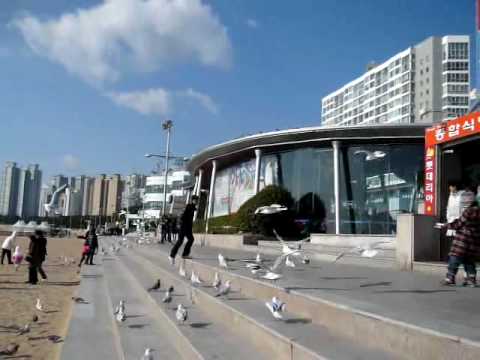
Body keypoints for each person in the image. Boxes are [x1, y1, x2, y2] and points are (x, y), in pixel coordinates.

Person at [441, 201, 480, 287]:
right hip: (474, 240)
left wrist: (447, 225)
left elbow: (459, 224)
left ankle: (450, 279)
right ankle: (471, 280)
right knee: (469, 260)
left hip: (462, 240)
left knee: (454, 258)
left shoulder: (468, 211)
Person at [169, 195, 198, 264]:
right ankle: (172, 256)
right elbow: (183, 216)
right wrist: (181, 224)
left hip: (187, 227)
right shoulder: (188, 206)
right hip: (184, 227)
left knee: (190, 239)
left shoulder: (192, 207)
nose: (197, 201)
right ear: (192, 200)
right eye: (195, 200)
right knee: (180, 241)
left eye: (197, 200)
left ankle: (184, 254)